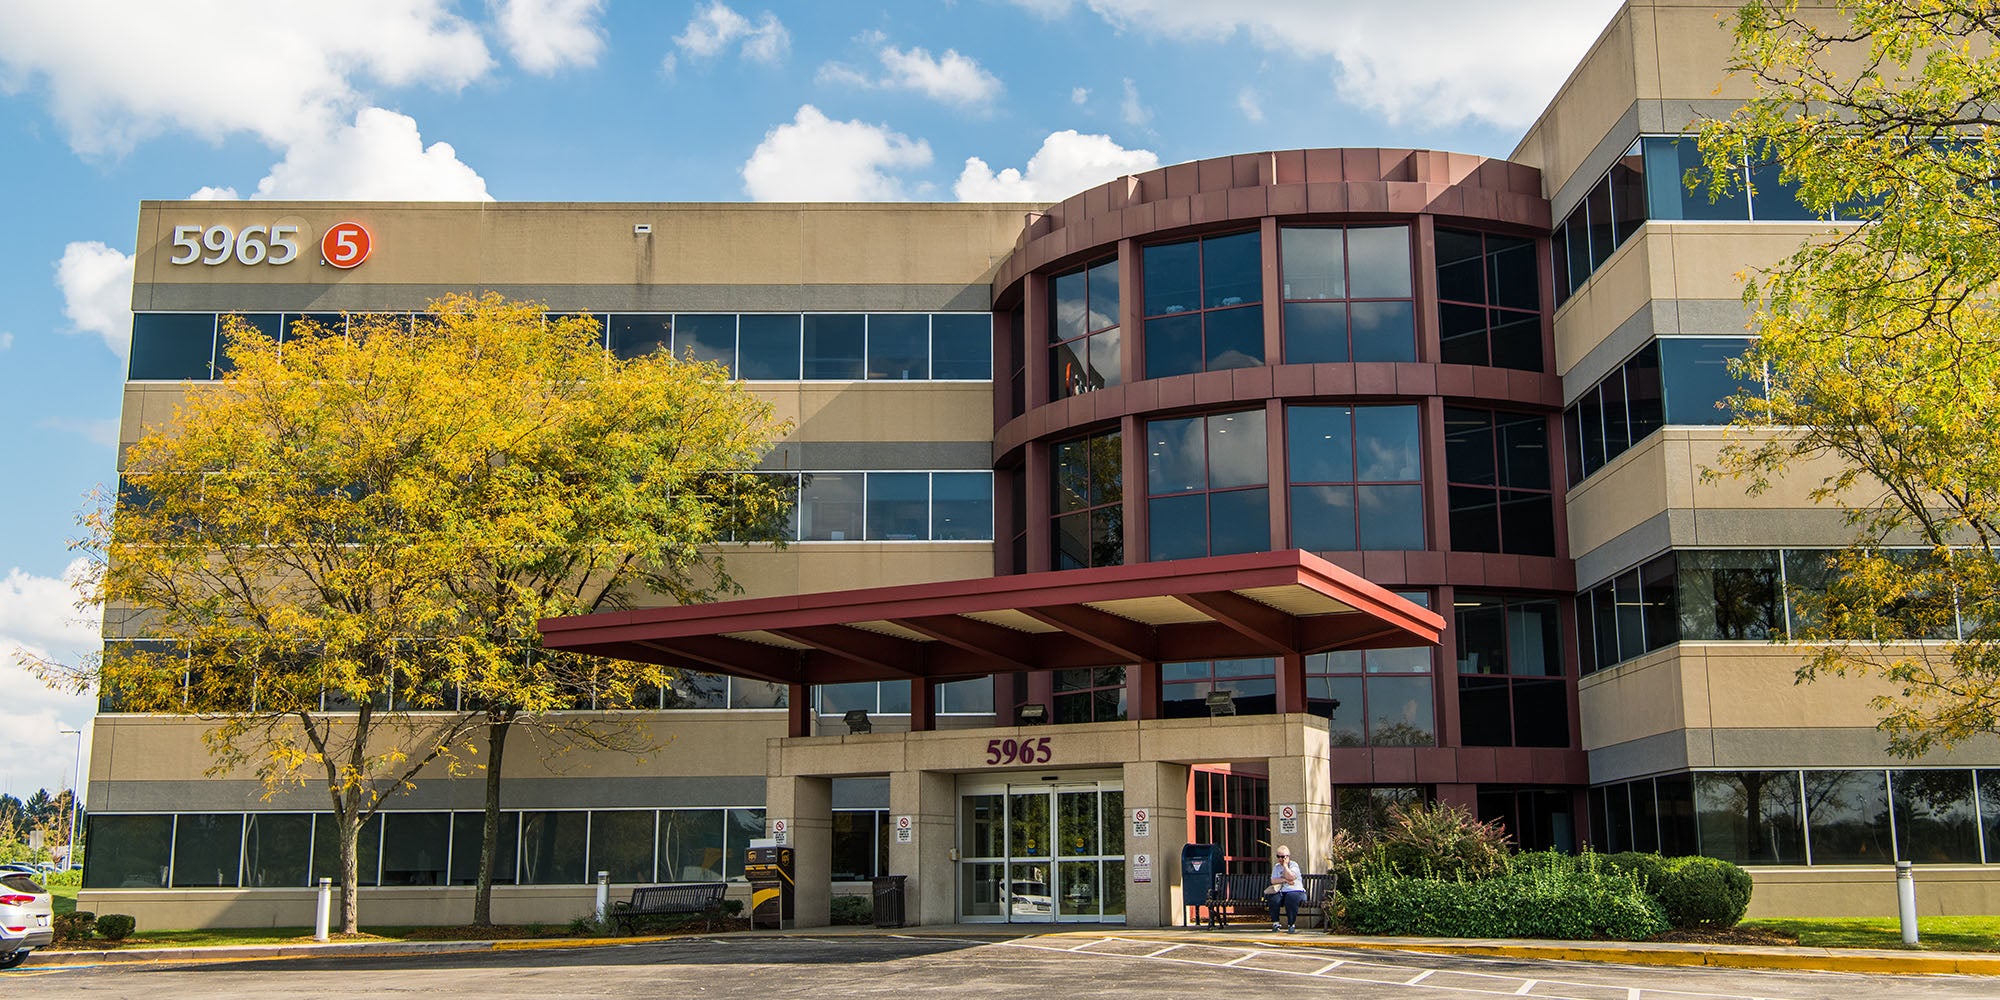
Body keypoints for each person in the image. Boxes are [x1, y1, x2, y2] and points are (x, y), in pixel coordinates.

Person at [1267, 845, 1305, 932]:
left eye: (1282, 857)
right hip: (1282, 891)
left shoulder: (1294, 865)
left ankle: (1291, 924)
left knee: (1291, 898)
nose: (1280, 859)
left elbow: (1291, 877)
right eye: (1278, 856)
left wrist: (1285, 866)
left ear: (1288, 857)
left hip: (1295, 890)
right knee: (1273, 898)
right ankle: (1275, 923)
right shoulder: (1276, 867)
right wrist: (1285, 880)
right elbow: (1273, 880)